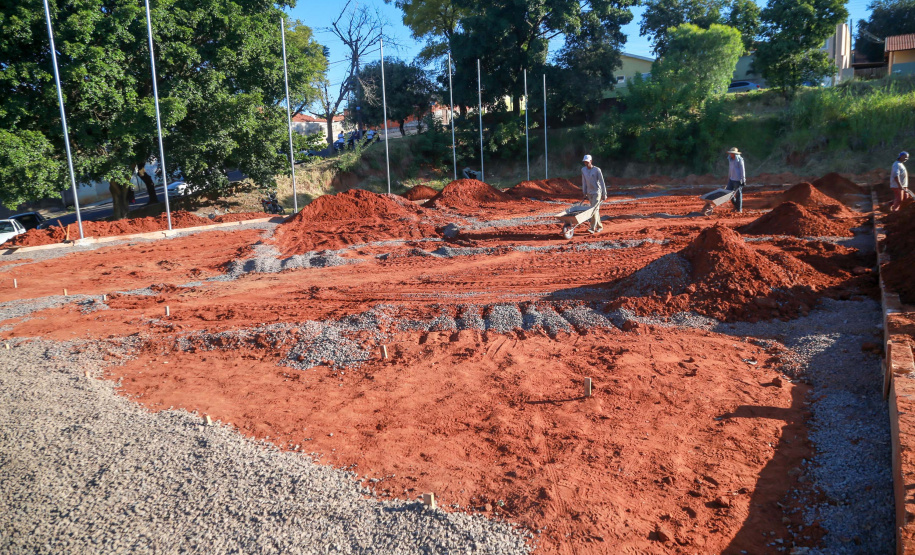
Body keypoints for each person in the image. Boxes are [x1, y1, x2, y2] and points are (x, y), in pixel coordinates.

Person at [581, 154, 607, 234]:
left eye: (587, 162)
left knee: (593, 210)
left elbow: (602, 182)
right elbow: (584, 181)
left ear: (591, 161)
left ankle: (592, 228)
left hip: (597, 192)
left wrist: (604, 193)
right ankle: (600, 226)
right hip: (589, 193)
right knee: (595, 210)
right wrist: (584, 192)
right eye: (585, 162)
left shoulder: (597, 170)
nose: (586, 163)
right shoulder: (583, 170)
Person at [725, 147, 746, 213]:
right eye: (730, 153)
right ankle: (736, 206)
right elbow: (730, 170)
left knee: (738, 194)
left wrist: (743, 179)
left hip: (738, 180)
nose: (730, 154)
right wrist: (729, 178)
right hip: (731, 179)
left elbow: (742, 170)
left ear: (734, 154)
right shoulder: (730, 160)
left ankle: (739, 210)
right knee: (728, 193)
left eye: (731, 153)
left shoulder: (740, 160)